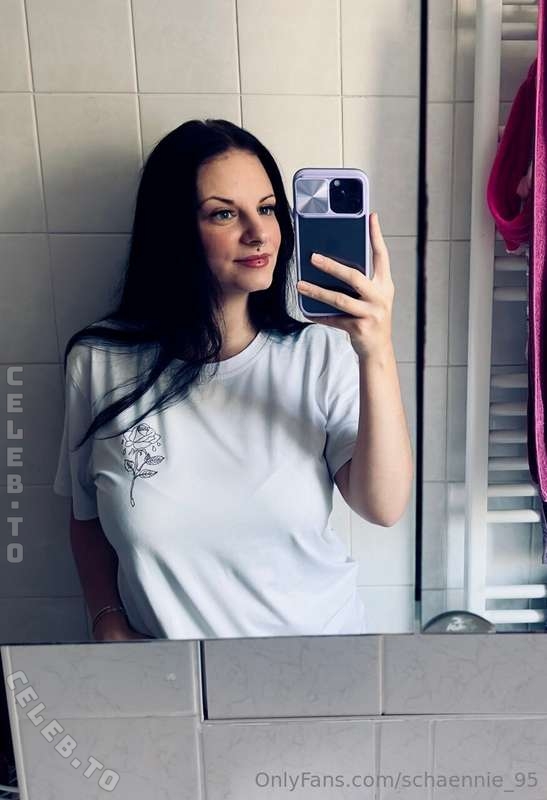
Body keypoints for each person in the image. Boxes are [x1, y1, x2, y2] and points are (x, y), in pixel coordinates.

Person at [53, 118, 413, 642]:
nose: (259, 232)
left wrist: (376, 349)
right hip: (172, 675)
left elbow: (383, 505)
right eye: (224, 213)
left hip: (322, 661)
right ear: (174, 230)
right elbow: (85, 513)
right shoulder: (98, 363)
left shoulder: (320, 353)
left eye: (267, 208)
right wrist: (106, 621)